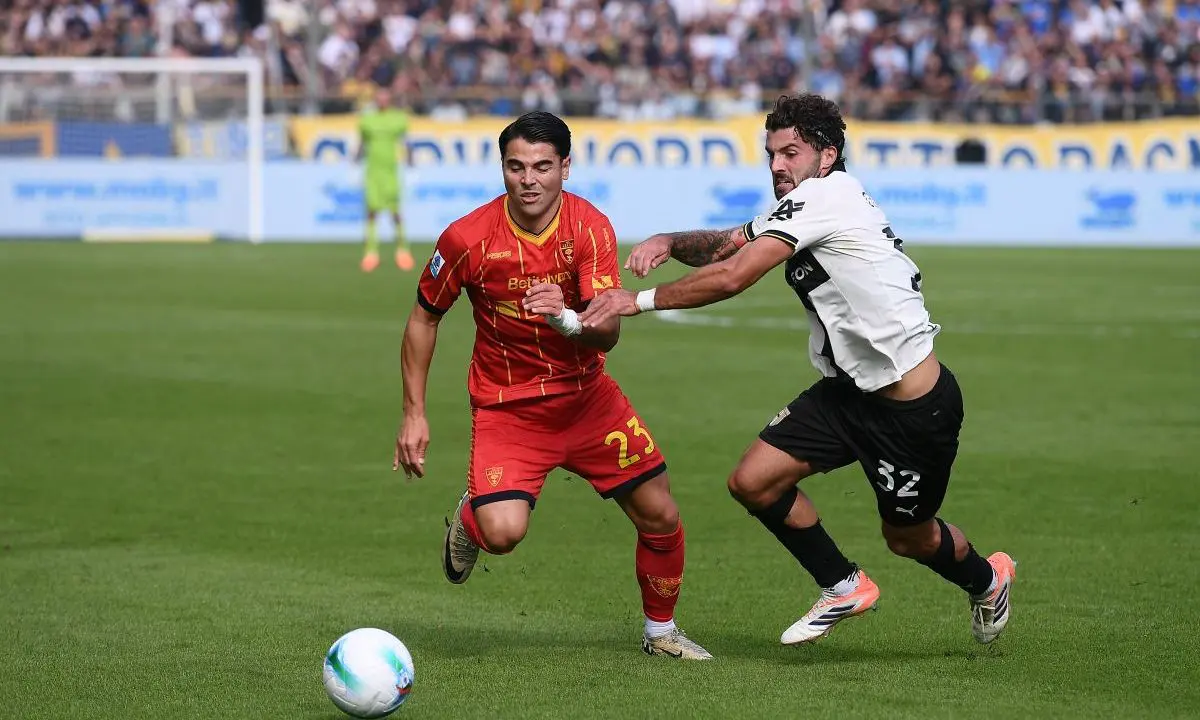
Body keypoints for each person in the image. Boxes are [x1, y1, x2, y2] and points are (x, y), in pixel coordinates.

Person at [579, 93, 1016, 647]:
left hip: (912, 408)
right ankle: (842, 584)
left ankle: (988, 578)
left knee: (908, 537)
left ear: (826, 155)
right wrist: (669, 239)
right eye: (771, 155)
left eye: (792, 152)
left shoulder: (827, 199)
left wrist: (636, 301)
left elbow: (735, 274)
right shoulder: (800, 204)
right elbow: (727, 244)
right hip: (848, 394)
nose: (778, 166)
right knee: (753, 481)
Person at [392, 111, 712, 660]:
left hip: (589, 400)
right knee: (504, 533)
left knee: (661, 513)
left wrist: (566, 317)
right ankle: (472, 520)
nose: (529, 179)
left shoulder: (590, 227)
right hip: (508, 409)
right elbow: (424, 317)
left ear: (565, 167)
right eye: (516, 167)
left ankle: (661, 634)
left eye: (543, 166)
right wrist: (414, 413)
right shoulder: (467, 238)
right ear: (503, 170)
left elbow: (607, 334)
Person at [357, 85, 413, 273]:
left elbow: (405, 140)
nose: (382, 100)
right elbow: (362, 142)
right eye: (379, 96)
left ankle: (402, 251)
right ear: (375, 99)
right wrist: (355, 159)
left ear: (389, 98)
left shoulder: (397, 118)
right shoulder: (367, 119)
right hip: (373, 173)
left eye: (385, 96)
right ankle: (371, 253)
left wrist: (410, 157)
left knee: (395, 212)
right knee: (371, 212)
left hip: (390, 173)